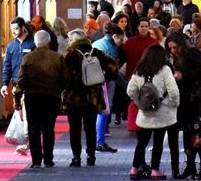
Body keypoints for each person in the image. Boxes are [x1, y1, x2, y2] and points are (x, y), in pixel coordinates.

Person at [166, 30, 201, 181]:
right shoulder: (179, 58)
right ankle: (191, 166)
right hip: (188, 103)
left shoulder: (192, 53)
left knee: (200, 135)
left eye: (175, 47)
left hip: (199, 102)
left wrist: (183, 76)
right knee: (189, 135)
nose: (173, 51)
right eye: (170, 48)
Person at [63, 29, 118, 167]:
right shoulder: (96, 53)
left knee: (74, 129)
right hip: (93, 97)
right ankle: (91, 156)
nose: (68, 42)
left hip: (74, 98)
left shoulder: (70, 55)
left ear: (74, 40)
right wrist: (103, 78)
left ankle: (76, 157)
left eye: (70, 39)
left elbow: (64, 76)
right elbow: (113, 69)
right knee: (90, 127)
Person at [15, 30, 69, 168]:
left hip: (32, 97)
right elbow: (65, 79)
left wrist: (17, 99)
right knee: (48, 128)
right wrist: (60, 90)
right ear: (49, 42)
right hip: (52, 97)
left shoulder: (28, 58)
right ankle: (48, 159)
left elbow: (21, 80)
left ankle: (36, 160)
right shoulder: (58, 58)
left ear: (35, 42)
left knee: (33, 129)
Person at [126, 43, 180, 181]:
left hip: (145, 114)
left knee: (142, 142)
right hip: (162, 113)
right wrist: (174, 104)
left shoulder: (139, 70)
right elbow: (173, 91)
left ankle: (134, 168)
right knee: (158, 142)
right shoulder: (165, 70)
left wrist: (140, 102)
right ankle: (155, 170)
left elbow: (130, 90)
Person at [0, 17, 35, 154]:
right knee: (19, 112)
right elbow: (7, 66)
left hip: (29, 84)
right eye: (12, 29)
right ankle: (27, 141)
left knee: (26, 113)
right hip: (16, 84)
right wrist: (4, 84)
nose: (13, 32)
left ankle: (27, 142)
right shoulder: (11, 46)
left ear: (23, 28)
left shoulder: (32, 45)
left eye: (16, 29)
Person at [122, 17, 160, 132]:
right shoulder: (130, 42)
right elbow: (124, 57)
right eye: (142, 26)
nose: (144, 29)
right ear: (138, 27)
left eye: (146, 26)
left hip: (150, 76)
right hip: (133, 75)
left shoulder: (154, 43)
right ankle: (134, 124)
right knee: (134, 99)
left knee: (146, 100)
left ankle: (146, 123)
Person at [93, 23, 126, 152]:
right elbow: (112, 70)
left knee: (97, 112)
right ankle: (100, 141)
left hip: (93, 80)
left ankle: (97, 141)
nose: (122, 42)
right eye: (121, 39)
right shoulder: (111, 48)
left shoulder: (98, 43)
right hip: (103, 82)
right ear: (115, 36)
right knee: (104, 111)